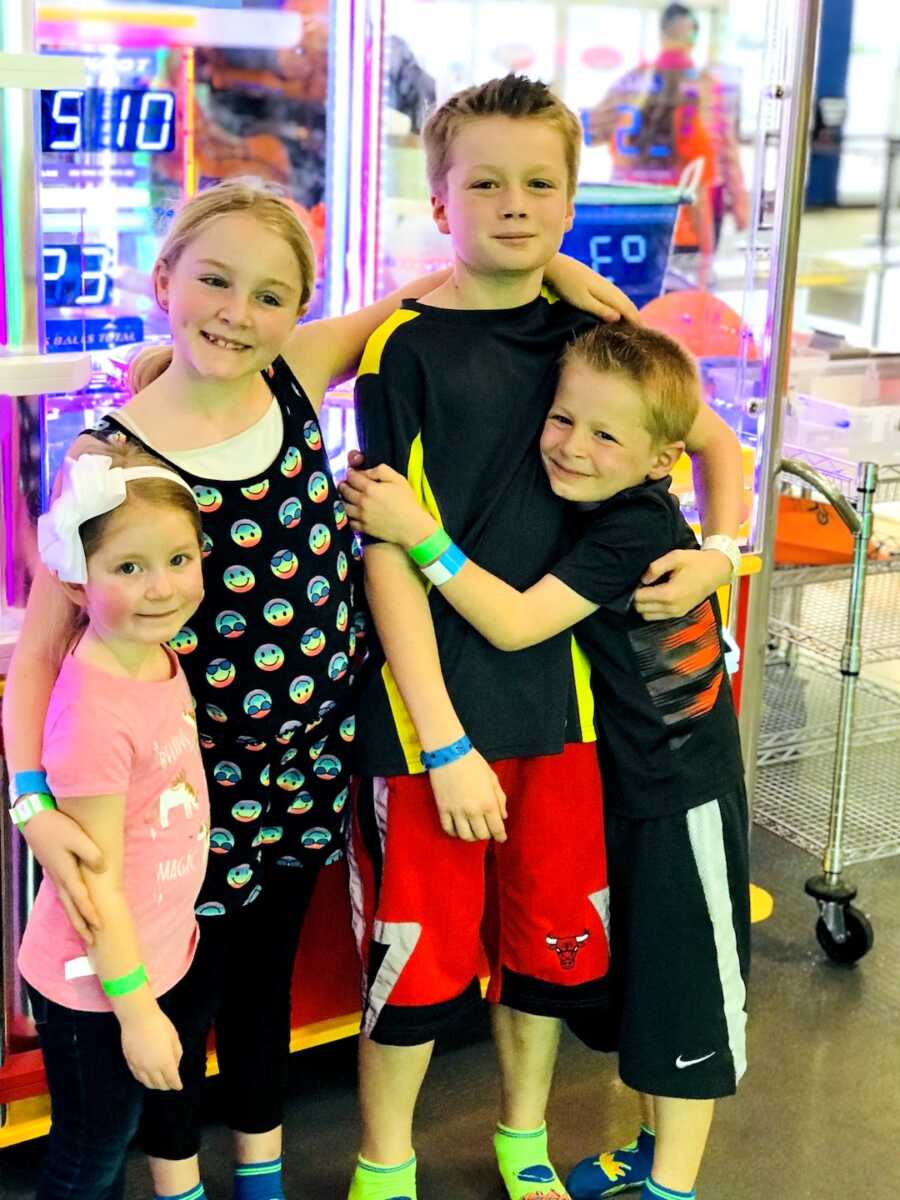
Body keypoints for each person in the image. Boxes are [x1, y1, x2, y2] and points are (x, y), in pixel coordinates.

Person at [5, 176, 634, 1200]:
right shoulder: (109, 460)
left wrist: (556, 265)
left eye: (270, 295)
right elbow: (39, 652)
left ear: (298, 310)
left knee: (263, 988)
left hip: (311, 764)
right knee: (177, 995)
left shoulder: (297, 371)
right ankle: (179, 1184)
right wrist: (31, 795)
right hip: (181, 790)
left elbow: (431, 289)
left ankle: (261, 1170)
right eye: (214, 281)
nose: (238, 314)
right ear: (164, 279)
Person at [346, 75, 745, 1200]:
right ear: (439, 200)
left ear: (572, 202)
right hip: (436, 723)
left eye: (539, 183)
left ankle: (523, 1142)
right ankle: (384, 1166)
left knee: (547, 957)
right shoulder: (402, 350)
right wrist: (442, 739)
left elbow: (709, 445)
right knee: (413, 970)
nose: (513, 203)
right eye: (485, 181)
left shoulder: (601, 335)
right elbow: (389, 543)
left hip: (571, 722)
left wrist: (720, 548)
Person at [15, 446, 211, 1200]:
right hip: (93, 988)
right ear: (76, 581)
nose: (161, 587)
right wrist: (135, 1013)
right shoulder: (93, 712)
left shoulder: (154, 655)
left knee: (112, 1136)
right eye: (128, 569)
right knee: (91, 1149)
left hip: (144, 960)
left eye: (177, 558)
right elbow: (92, 886)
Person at [587, 3, 748, 250]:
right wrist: (740, 204)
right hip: (692, 214)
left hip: (633, 208)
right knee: (688, 281)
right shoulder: (709, 87)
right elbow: (727, 153)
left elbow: (593, 133)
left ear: (661, 35)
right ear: (693, 38)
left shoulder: (631, 81)